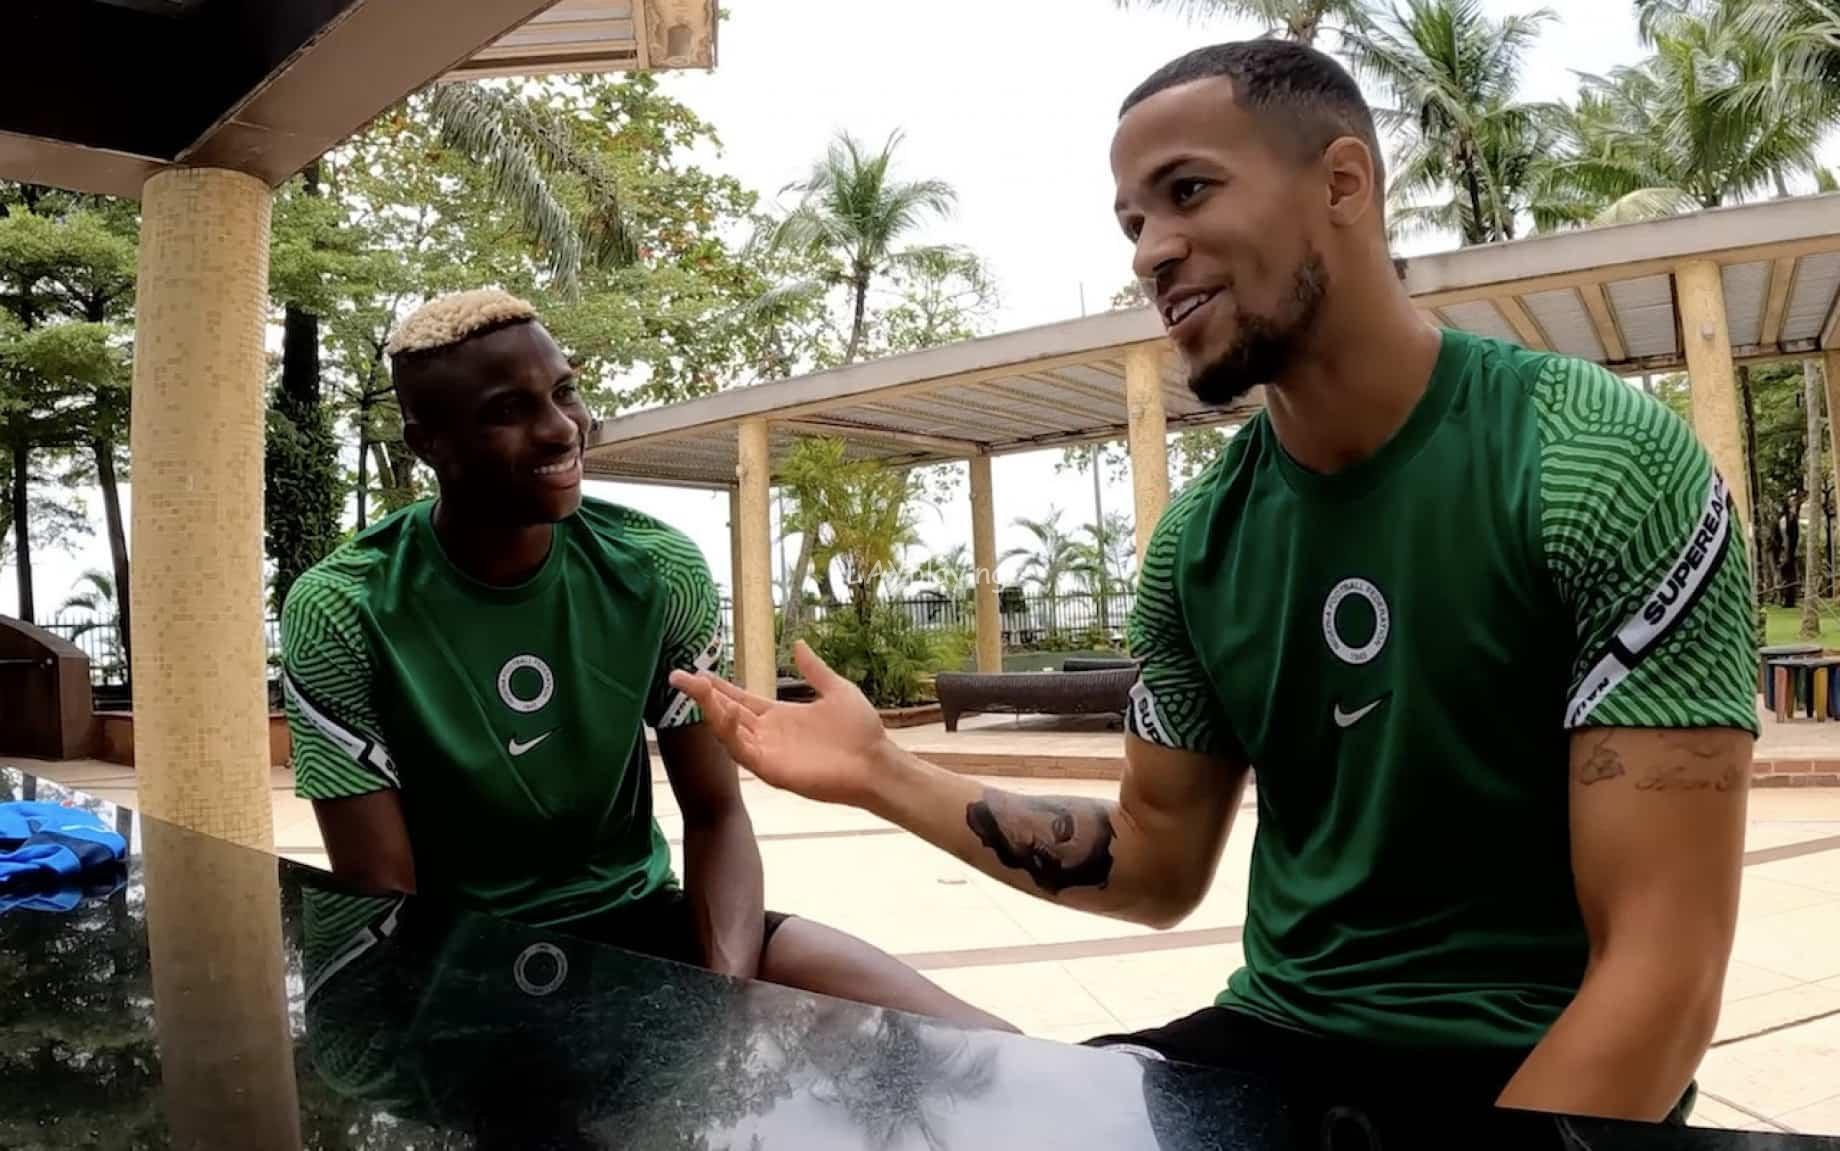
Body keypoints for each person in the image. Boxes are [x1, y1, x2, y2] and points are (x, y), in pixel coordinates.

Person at [672, 41, 1756, 1123]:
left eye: (1187, 191)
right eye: (1133, 223)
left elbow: (1663, 974)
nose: (1151, 252)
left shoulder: (1596, 464)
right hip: (1279, 1041)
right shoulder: (1201, 541)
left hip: (1536, 1065)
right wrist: (880, 772)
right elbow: (1155, 863)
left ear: (1343, 183)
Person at [280, 288, 1008, 1031]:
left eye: (565, 392)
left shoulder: (657, 569)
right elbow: (383, 899)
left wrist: (719, 1004)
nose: (561, 428)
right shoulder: (344, 609)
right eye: (508, 410)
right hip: (456, 966)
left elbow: (717, 811)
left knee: (982, 1045)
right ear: (427, 442)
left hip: (646, 925)